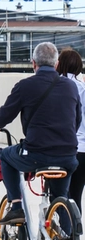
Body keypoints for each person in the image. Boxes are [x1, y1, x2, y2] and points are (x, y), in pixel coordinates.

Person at [0, 42, 80, 225]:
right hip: (68, 156)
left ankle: (17, 207)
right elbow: (77, 120)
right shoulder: (71, 87)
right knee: (61, 196)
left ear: (33, 63)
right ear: (56, 64)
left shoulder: (25, 86)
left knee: (5, 155)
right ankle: (67, 232)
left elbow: (5, 115)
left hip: (36, 155)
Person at [56, 49, 85, 214]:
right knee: (75, 196)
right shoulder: (82, 87)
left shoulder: (56, 86)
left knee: (59, 197)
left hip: (65, 149)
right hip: (83, 149)